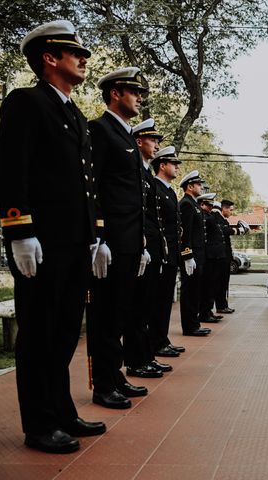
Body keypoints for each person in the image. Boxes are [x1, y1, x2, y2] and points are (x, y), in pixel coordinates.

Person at [0, 19, 105, 453]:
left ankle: (61, 411)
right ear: (49, 57)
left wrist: (96, 235)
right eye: (74, 52)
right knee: (40, 332)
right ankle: (39, 424)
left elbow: (85, 182)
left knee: (63, 332)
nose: (83, 59)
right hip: (41, 242)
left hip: (74, 242)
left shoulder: (74, 114)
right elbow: (10, 169)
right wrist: (19, 228)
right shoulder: (26, 102)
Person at [89, 67, 151, 409]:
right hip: (111, 242)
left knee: (120, 312)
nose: (139, 97)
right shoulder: (100, 130)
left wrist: (140, 243)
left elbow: (134, 199)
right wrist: (99, 236)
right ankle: (103, 384)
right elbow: (93, 186)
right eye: (134, 91)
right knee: (105, 315)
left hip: (129, 242)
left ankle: (115, 375)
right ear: (115, 93)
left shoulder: (127, 135)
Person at [129, 117, 171, 378]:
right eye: (152, 139)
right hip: (136, 245)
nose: (156, 144)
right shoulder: (138, 170)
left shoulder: (144, 172)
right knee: (136, 309)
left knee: (144, 307)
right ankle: (136, 360)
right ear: (138, 140)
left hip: (148, 248)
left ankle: (145, 356)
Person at [151, 146, 186, 357]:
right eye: (173, 164)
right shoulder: (155, 187)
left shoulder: (170, 191)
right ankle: (156, 342)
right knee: (157, 302)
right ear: (162, 165)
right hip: (161, 252)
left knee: (165, 302)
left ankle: (162, 339)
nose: (177, 168)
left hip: (171, 253)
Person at [179, 170, 212, 337]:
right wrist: (187, 255)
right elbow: (185, 233)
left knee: (195, 291)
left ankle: (194, 323)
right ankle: (189, 326)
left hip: (199, 255)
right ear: (190, 186)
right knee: (189, 291)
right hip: (192, 256)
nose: (201, 187)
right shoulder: (186, 204)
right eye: (198, 184)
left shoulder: (194, 204)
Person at [198, 193, 224, 323]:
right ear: (202, 204)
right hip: (209, 256)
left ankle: (208, 311)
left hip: (214, 256)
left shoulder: (209, 216)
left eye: (212, 204)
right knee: (208, 286)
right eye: (208, 204)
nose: (211, 207)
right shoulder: (204, 217)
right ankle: (204, 313)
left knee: (212, 286)